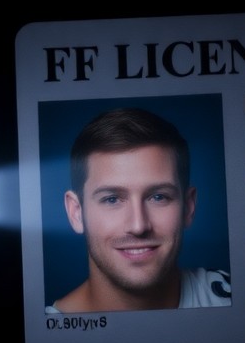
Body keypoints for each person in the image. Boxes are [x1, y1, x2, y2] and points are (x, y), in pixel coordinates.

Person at [47, 107, 230, 313]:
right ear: (76, 213)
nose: (138, 225)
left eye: (158, 197)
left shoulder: (236, 300)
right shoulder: (41, 336)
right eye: (112, 199)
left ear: (188, 207)